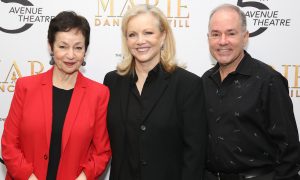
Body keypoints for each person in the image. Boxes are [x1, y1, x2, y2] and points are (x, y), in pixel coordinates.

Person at [1, 11, 111, 180]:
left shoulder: (99, 94)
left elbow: (102, 152)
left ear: (85, 50)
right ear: (50, 46)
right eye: (63, 46)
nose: (71, 55)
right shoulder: (26, 87)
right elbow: (9, 145)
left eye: (78, 47)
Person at [103, 4, 206, 180]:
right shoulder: (112, 82)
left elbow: (195, 154)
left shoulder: (188, 84)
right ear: (126, 40)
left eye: (148, 33)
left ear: (163, 36)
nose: (140, 41)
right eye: (132, 35)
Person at [202, 3, 300, 180]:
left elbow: (289, 150)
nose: (222, 41)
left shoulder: (269, 81)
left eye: (231, 33)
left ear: (245, 37)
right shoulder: (204, 81)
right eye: (216, 34)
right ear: (208, 38)